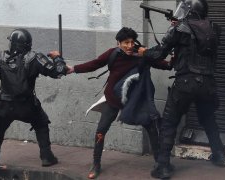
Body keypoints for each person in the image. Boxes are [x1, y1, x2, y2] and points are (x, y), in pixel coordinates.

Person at [49, 27, 172, 179]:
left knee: (152, 128)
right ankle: (96, 163)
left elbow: (161, 63)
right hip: (113, 99)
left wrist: (172, 62)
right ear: (118, 43)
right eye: (126, 42)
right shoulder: (112, 54)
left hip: (134, 101)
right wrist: (73, 69)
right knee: (101, 131)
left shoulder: (141, 55)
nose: (129, 45)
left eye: (132, 42)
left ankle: (160, 164)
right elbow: (95, 64)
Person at [142, 0, 225, 179]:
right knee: (208, 120)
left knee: (169, 123)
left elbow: (160, 53)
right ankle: (219, 156)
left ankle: (163, 167)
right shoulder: (215, 28)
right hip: (207, 84)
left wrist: (143, 52)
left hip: (186, 83)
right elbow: (197, 45)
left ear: (190, 11)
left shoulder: (180, 29)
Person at [0, 28, 68, 180]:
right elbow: (58, 72)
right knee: (41, 123)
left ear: (12, 43)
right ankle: (46, 157)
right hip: (27, 106)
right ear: (28, 44)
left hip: (4, 106)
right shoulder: (35, 58)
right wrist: (58, 58)